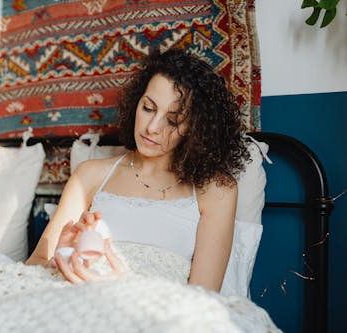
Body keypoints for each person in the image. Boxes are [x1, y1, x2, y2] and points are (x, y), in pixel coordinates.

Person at [26, 48, 249, 293]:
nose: (152, 127)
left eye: (172, 120)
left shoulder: (216, 190)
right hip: (71, 299)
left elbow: (203, 299)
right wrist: (60, 257)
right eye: (148, 108)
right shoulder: (89, 175)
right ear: (136, 103)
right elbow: (33, 268)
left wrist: (127, 287)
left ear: (196, 128)